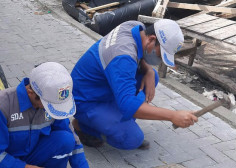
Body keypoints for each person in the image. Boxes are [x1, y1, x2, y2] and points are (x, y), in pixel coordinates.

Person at [71, 19, 198, 149]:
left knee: (152, 76)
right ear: (152, 39)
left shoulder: (135, 26)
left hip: (101, 86)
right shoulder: (123, 58)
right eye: (160, 54)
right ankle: (82, 126)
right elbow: (128, 104)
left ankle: (117, 118)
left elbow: (137, 51)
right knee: (132, 139)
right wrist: (173, 116)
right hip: (85, 101)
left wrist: (148, 70)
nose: (159, 60)